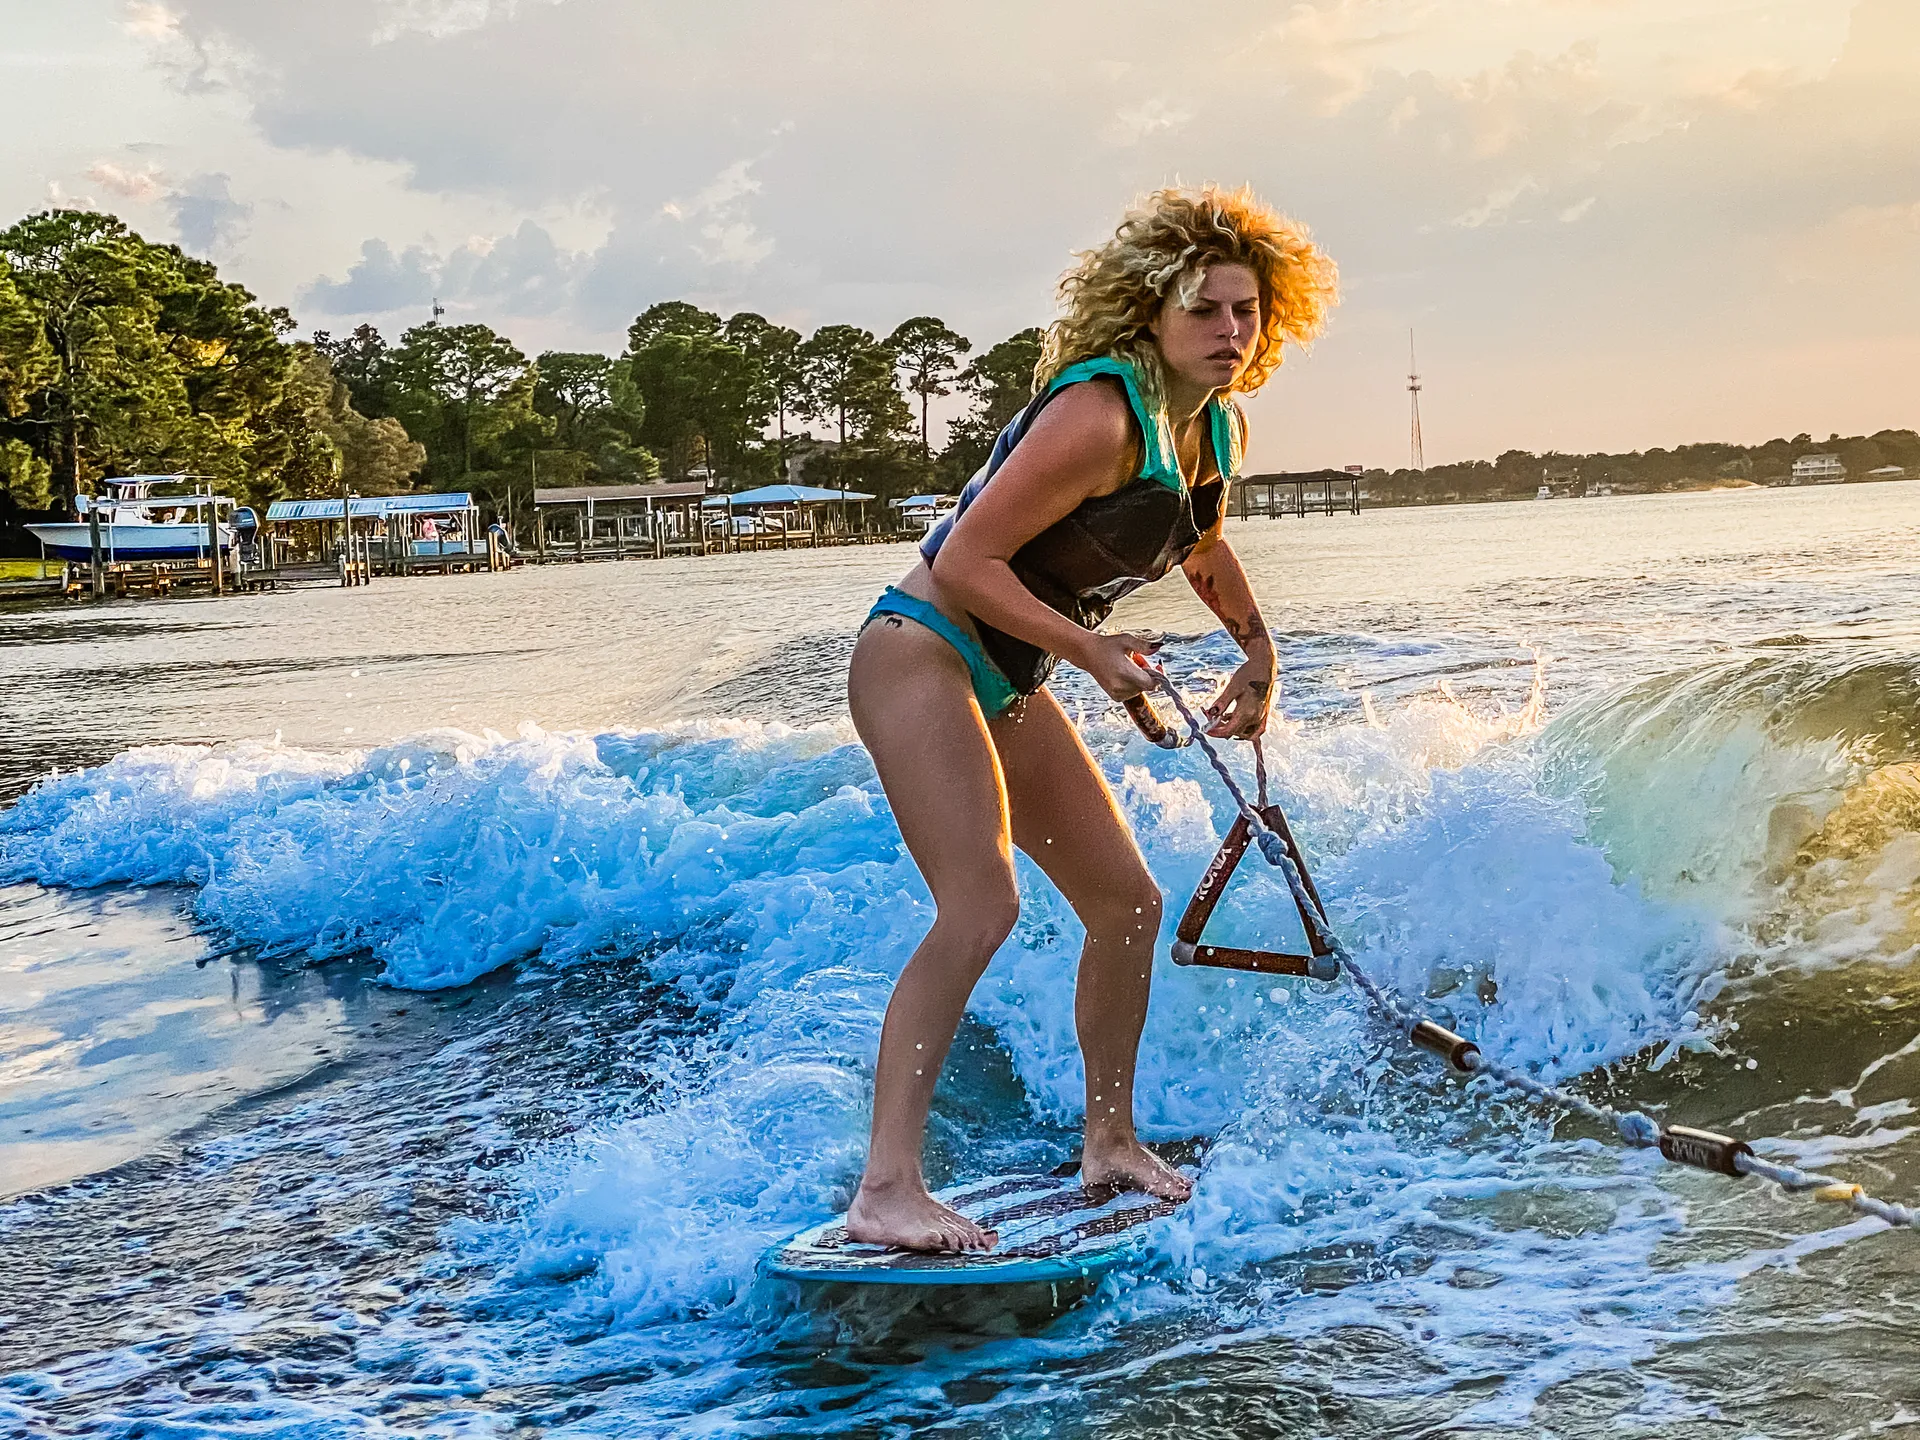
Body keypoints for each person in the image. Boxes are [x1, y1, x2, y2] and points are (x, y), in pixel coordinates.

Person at [844, 185, 1339, 1252]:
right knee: (981, 907)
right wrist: (1095, 654)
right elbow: (965, 560)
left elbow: (1198, 542)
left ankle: (1109, 1142)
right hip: (920, 653)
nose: (1230, 330)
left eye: (1246, 311)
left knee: (1126, 903)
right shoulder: (1101, 413)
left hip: (1006, 672)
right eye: (1204, 310)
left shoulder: (1207, 425)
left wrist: (1260, 651)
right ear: (1150, 314)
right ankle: (886, 1189)